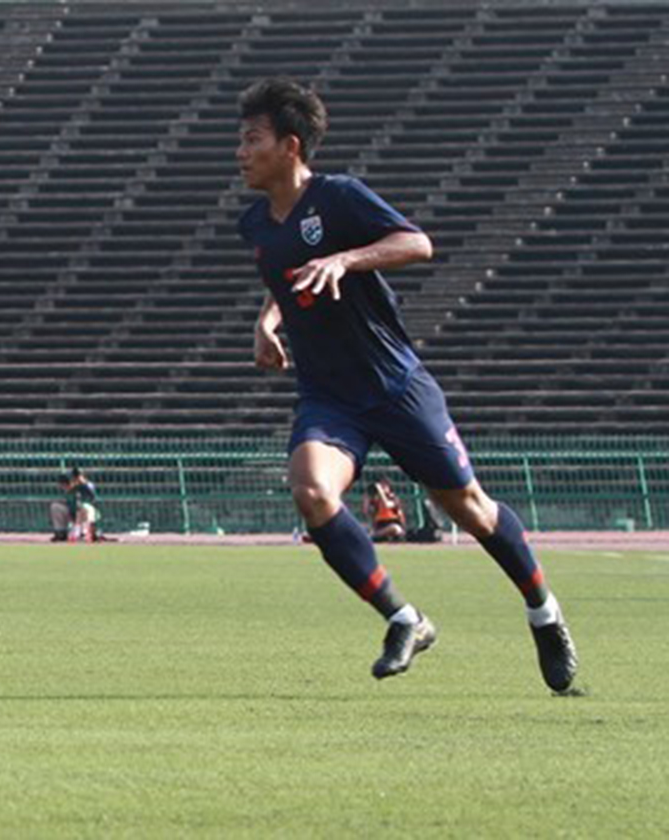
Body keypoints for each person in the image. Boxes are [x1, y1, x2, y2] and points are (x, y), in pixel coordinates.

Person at [237, 78, 577, 692]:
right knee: (312, 492)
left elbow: (416, 243)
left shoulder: (338, 198)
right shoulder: (255, 224)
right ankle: (405, 618)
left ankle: (544, 613)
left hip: (395, 385)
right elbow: (283, 278)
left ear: (290, 147)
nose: (241, 151)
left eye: (252, 139)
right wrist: (267, 320)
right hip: (328, 397)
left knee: (467, 508)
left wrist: (345, 258)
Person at [364, 478, 406, 543]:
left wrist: (381, 493)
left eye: (384, 486)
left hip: (392, 523)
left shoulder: (393, 498)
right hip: (380, 524)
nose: (382, 488)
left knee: (395, 528)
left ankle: (373, 535)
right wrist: (367, 496)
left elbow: (387, 505)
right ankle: (374, 535)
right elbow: (366, 511)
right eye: (381, 486)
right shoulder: (376, 501)